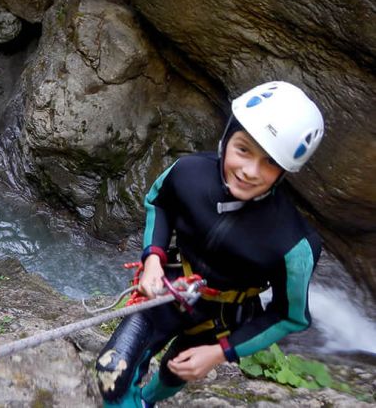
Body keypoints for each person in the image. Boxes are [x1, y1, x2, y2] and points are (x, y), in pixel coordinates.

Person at [95, 80, 325, 407]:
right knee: (110, 373)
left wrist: (219, 353)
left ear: (285, 171)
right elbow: (158, 203)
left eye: (270, 162)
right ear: (226, 138)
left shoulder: (294, 242)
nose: (249, 172)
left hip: (223, 320)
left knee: (176, 372)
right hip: (169, 287)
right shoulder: (188, 173)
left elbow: (290, 315)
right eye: (243, 149)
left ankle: (147, 400)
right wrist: (153, 261)